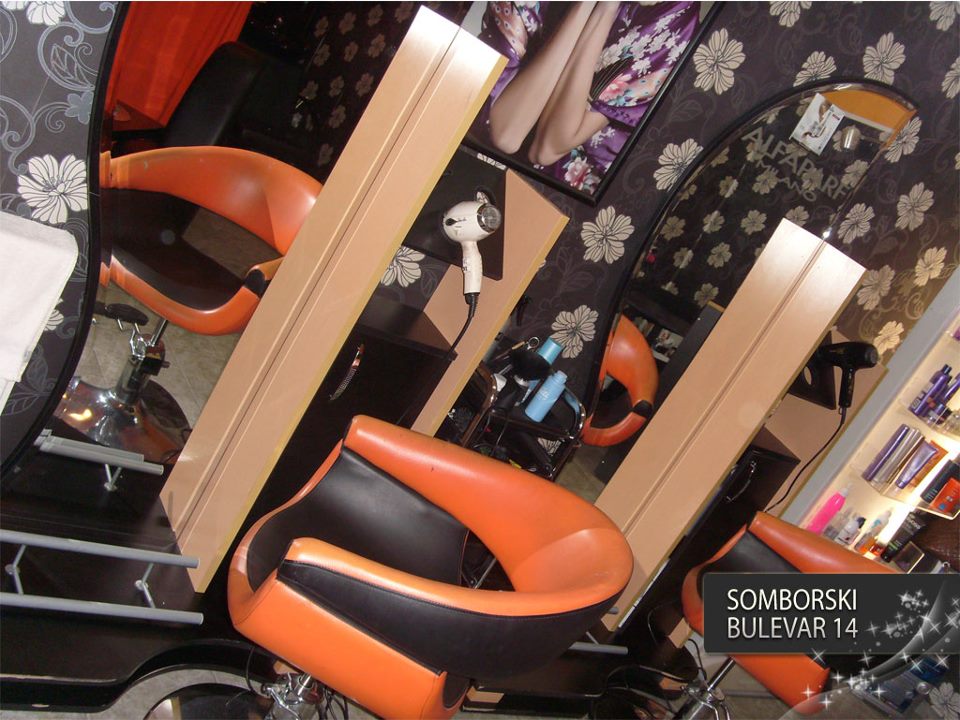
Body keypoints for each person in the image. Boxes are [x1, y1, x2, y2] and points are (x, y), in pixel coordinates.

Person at [477, 1, 700, 193]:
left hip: (560, 195)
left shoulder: (675, 21)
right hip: (478, 156)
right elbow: (506, 135)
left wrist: (604, 10)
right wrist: (584, 6)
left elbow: (545, 150)